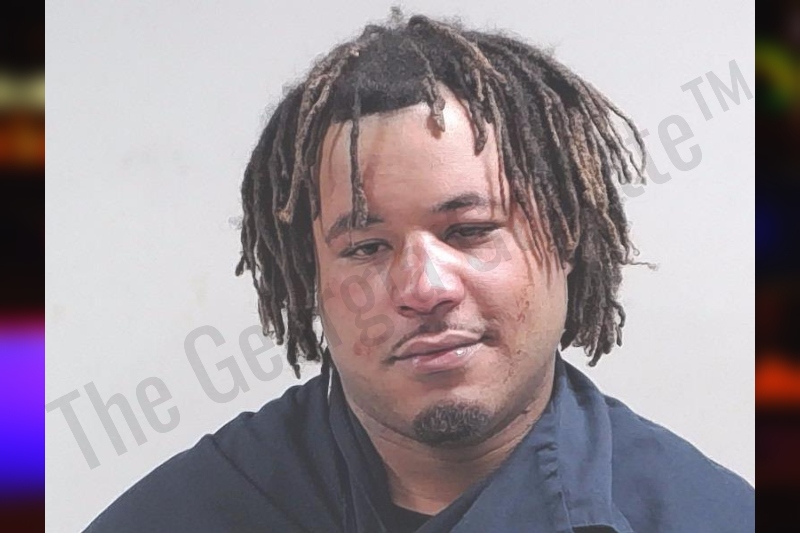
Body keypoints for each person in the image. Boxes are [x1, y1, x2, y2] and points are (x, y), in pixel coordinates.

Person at [85, 12, 754, 533]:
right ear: (308, 279)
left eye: (470, 230)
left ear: (568, 234)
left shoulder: (707, 517)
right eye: (366, 247)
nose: (423, 288)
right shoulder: (182, 514)